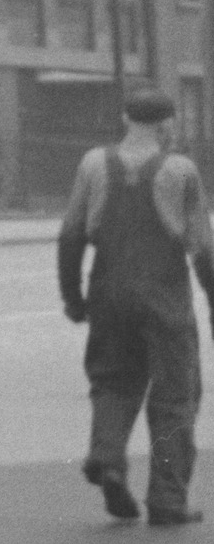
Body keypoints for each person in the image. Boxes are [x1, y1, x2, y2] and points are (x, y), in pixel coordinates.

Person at [59, 86, 214, 525]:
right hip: (164, 299)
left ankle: (107, 458)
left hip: (108, 292)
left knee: (112, 382)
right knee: (174, 397)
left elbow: (71, 234)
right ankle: (167, 500)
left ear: (127, 121)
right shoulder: (180, 170)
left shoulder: (94, 163)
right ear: (166, 125)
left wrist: (73, 297)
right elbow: (203, 249)